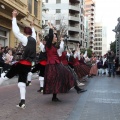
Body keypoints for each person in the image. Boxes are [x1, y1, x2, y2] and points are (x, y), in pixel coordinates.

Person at [0, 10, 36, 109]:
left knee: (4, 76)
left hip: (21, 64)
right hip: (28, 65)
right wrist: (32, 26)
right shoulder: (34, 39)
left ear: (25, 33)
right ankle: (22, 102)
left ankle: (22, 102)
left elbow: (15, 31)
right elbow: (34, 34)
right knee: (22, 83)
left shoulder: (26, 39)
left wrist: (14, 17)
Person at [43, 22, 75, 102]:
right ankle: (54, 96)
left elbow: (59, 44)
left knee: (58, 79)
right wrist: (50, 28)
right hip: (51, 65)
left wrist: (55, 31)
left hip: (56, 64)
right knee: (54, 79)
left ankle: (55, 96)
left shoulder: (54, 46)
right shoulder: (48, 45)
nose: (55, 37)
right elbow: (50, 36)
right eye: (54, 37)